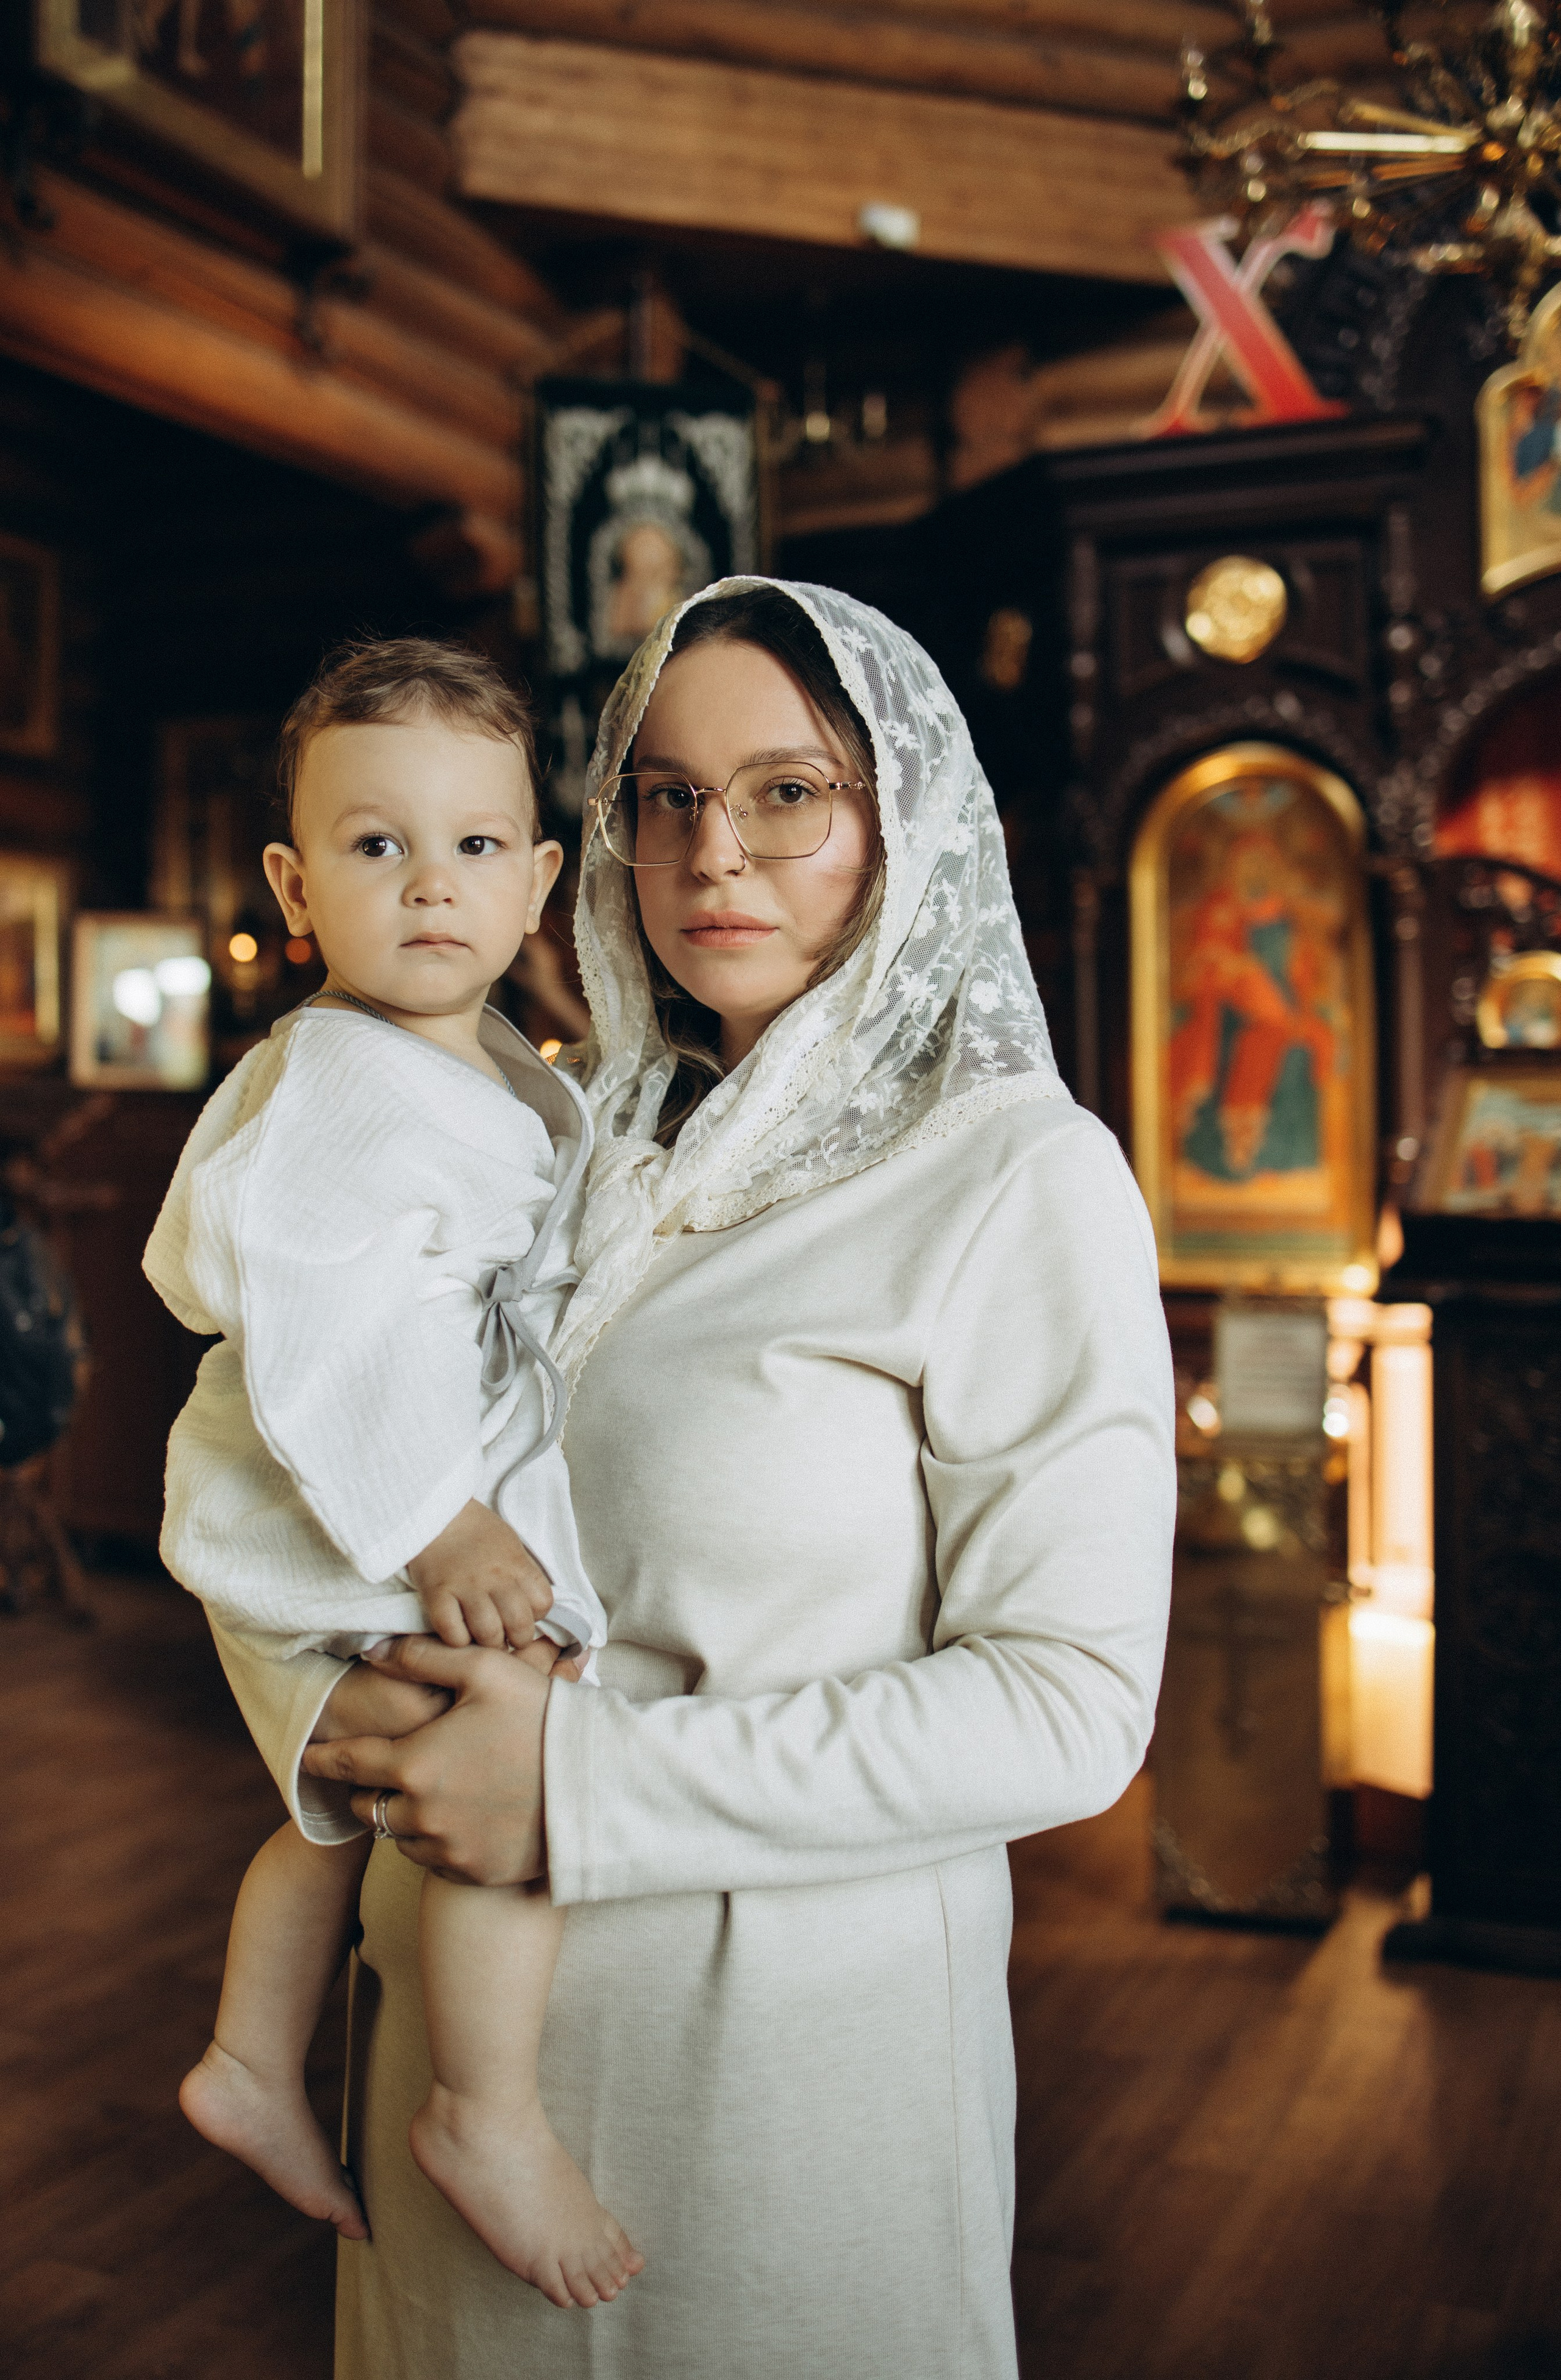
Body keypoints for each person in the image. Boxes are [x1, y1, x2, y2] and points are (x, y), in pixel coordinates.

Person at [210, 580, 1175, 2379]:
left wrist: (581, 1783)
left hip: (770, 2085)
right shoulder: (538, 1132)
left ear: (904, 824)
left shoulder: (1014, 1180)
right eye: (662, 794)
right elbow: (317, 1440)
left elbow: (1072, 1708)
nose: (712, 850)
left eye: (788, 793)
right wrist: (310, 1708)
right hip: (444, 2057)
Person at [143, 639, 643, 2311]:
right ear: (294, 880)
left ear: (543, 877)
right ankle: (485, 2111)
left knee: (344, 1805)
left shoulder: (482, 1058)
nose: (433, 886)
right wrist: (442, 1523)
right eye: (377, 847)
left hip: (382, 1502)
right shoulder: (339, 1091)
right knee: (521, 1761)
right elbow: (330, 1345)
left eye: (478, 847)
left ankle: (247, 2056)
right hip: (356, 1507)